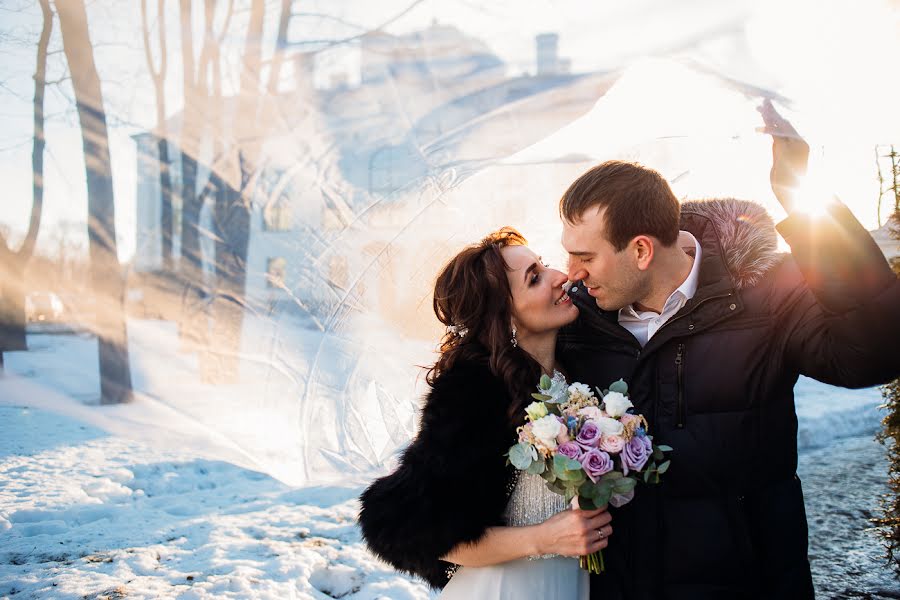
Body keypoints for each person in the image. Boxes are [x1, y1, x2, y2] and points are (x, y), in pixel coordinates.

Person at [557, 100, 900, 599]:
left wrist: (800, 198)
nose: (572, 272)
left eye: (585, 256)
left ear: (641, 250)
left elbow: (877, 352)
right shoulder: (576, 319)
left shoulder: (767, 293)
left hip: (749, 584)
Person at [358, 227, 612, 598]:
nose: (560, 278)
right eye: (535, 278)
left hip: (572, 585)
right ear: (505, 315)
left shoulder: (580, 374)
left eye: (544, 265)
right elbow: (429, 534)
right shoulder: (474, 393)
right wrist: (542, 539)